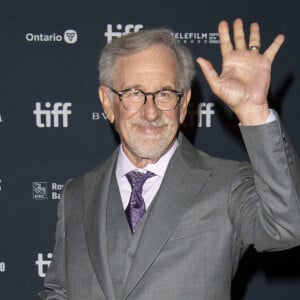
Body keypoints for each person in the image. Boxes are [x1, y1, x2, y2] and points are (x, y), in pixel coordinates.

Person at [39, 19, 300, 300]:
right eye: (134, 94)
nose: (151, 112)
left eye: (164, 93)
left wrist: (254, 112)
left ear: (184, 103)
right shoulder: (75, 195)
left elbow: (287, 226)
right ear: (107, 102)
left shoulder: (228, 184)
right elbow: (60, 291)